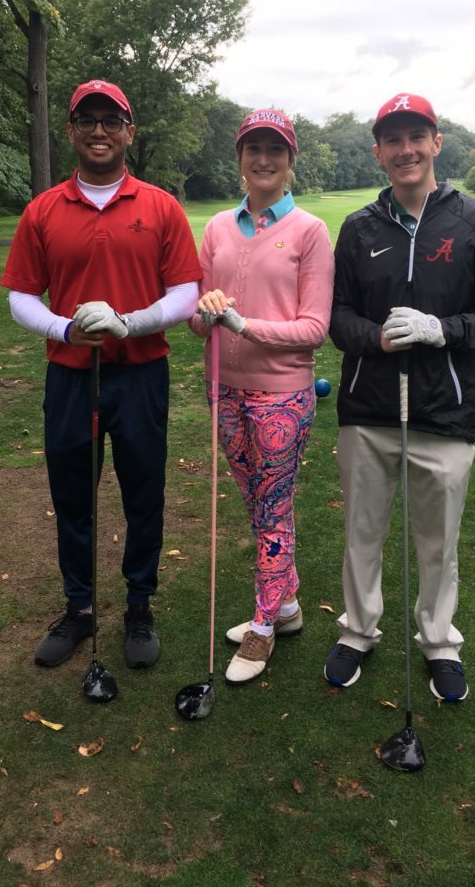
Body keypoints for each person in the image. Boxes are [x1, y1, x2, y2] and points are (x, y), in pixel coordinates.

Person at [324, 92, 475, 702]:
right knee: (362, 533)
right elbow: (338, 317)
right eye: (393, 139)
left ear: (436, 142)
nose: (405, 149)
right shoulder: (358, 227)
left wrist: (442, 330)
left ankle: (439, 641)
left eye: (416, 137)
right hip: (368, 409)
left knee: (438, 541)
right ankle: (358, 630)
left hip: (445, 411)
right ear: (379, 151)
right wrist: (378, 340)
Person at [0, 79, 201, 671]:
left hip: (140, 374)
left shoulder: (160, 206)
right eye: (87, 120)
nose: (99, 131)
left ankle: (139, 605)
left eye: (111, 121)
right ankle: (81, 607)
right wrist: (65, 329)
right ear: (71, 131)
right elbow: (20, 295)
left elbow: (186, 293)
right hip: (70, 376)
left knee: (144, 493)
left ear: (128, 132)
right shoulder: (43, 210)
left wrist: (128, 324)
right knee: (72, 495)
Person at [190, 109, 334, 684]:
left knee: (274, 510)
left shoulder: (310, 232)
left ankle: (264, 626)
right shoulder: (217, 228)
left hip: (282, 396)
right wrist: (206, 312)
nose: (264, 159)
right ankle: (288, 606)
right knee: (257, 506)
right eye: (254, 149)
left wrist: (246, 326)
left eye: (276, 149)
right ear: (240, 158)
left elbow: (314, 328)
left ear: (290, 160)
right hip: (223, 389)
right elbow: (197, 320)